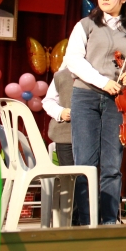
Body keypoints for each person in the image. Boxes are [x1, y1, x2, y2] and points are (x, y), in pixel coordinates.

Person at [65, 0, 126, 225]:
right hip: (86, 97)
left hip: (118, 102)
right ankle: (86, 221)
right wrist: (102, 81)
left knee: (112, 165)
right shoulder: (86, 25)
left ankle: (110, 220)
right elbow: (73, 60)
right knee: (85, 164)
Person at [42, 62, 78, 224]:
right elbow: (48, 101)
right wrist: (60, 112)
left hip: (95, 135)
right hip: (66, 135)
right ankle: (75, 219)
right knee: (72, 179)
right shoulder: (62, 75)